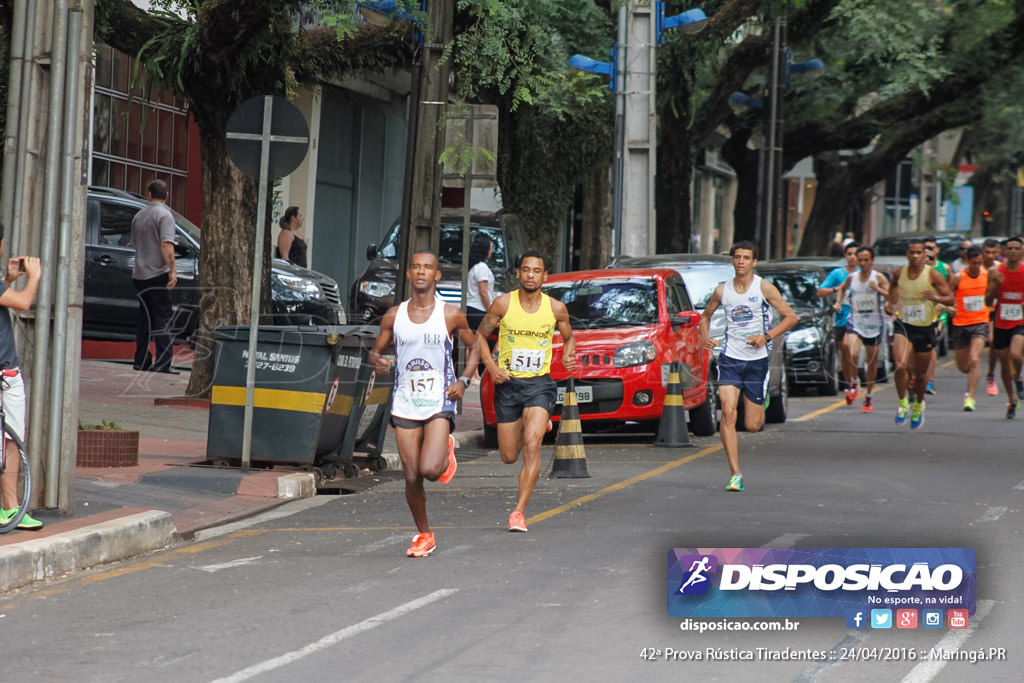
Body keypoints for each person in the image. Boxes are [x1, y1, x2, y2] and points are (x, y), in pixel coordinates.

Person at [369, 250, 480, 557]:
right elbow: (374, 352)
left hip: (439, 400)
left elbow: (476, 346)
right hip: (404, 402)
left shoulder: (450, 314)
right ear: (409, 274)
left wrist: (465, 380)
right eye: (415, 266)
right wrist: (377, 360)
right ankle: (424, 534)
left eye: (427, 267)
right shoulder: (394, 315)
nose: (421, 271)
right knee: (411, 476)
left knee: (431, 470)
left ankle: (445, 447)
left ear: (436, 275)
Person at [476, 250, 576, 531]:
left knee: (532, 445)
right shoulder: (502, 304)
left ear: (545, 276)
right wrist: (490, 367)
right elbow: (480, 337)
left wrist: (568, 355)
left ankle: (518, 512)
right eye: (526, 270)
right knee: (509, 456)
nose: (531, 275)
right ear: (518, 274)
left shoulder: (556, 308)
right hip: (508, 384)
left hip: (539, 384)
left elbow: (570, 338)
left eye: (537, 270)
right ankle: (532, 422)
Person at [700, 241, 797, 492]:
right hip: (730, 358)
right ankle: (735, 474)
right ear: (732, 261)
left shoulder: (763, 288)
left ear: (754, 262)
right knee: (729, 412)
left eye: (746, 258)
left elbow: (791, 317)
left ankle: (761, 397)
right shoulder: (723, 291)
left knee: (752, 425)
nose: (741, 261)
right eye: (737, 257)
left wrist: (766, 337)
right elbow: (705, 316)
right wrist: (704, 337)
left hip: (757, 361)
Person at [885, 239, 954, 430]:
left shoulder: (933, 275)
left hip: (925, 327)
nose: (915, 256)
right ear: (907, 254)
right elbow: (893, 288)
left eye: (918, 253)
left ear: (925, 255)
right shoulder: (899, 273)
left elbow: (950, 298)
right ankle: (902, 403)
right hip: (904, 324)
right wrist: (890, 304)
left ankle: (918, 405)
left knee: (921, 375)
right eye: (911, 253)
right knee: (900, 366)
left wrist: (937, 298)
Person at [0, 222, 43, 529]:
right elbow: (24, 302)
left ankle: (11, 508)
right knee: (10, 442)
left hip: (7, 373)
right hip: (5, 373)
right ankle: (11, 508)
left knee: (10, 442)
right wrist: (35, 276)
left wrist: (8, 280)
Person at [130, 179, 178, 374]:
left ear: (149, 194)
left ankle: (141, 360)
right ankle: (163, 362)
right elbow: (166, 244)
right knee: (162, 318)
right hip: (157, 273)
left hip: (139, 274)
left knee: (145, 320)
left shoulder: (139, 216)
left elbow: (134, 244)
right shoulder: (165, 216)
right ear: (167, 195)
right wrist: (173, 270)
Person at [834, 246, 889, 412]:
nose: (863, 263)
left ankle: (869, 395)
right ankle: (853, 380)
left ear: (872, 261)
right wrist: (838, 302)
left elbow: (891, 295)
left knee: (870, 363)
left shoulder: (878, 277)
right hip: (855, 321)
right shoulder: (852, 277)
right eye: (861, 260)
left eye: (866, 260)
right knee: (852, 353)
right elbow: (842, 288)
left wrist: (877, 289)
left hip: (873, 325)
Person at [984, 235, 1024, 419]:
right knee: (1004, 366)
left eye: (1017, 248)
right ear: (1004, 252)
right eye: (1010, 248)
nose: (1013, 251)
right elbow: (988, 301)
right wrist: (995, 285)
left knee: (1015, 354)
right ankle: (1012, 400)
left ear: (1022, 251)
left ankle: (1019, 378)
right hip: (1001, 321)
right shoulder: (995, 271)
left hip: (1020, 321)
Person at [816, 241, 860, 400]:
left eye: (856, 254)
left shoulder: (865, 273)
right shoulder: (837, 274)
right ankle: (850, 381)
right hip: (842, 319)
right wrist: (837, 291)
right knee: (845, 350)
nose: (853, 257)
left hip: (860, 320)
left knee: (851, 348)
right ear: (845, 255)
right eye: (850, 254)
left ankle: (854, 380)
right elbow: (819, 292)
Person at [949, 246, 989, 411]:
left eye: (979, 263)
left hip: (980, 323)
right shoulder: (958, 278)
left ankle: (970, 396)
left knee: (974, 359)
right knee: (963, 366)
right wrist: (949, 307)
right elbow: (948, 295)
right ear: (967, 262)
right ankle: (970, 378)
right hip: (960, 324)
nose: (976, 266)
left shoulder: (986, 276)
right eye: (974, 263)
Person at [922, 237, 951, 395]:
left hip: (938, 311)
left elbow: (950, 290)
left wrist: (945, 305)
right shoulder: (915, 269)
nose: (928, 251)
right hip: (919, 310)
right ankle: (918, 377)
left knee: (931, 344)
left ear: (937, 250)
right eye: (925, 248)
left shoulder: (944, 268)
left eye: (931, 248)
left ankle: (930, 381)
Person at [465, 235, 495, 381]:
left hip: (470, 308)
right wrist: (491, 309)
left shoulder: (473, 267)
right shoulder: (482, 268)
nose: (492, 250)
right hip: (479, 309)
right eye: (491, 247)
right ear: (485, 250)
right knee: (478, 342)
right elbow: (483, 291)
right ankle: (476, 373)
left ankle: (473, 373)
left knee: (471, 343)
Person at [983, 238, 1005, 396]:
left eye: (994, 252)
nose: (991, 256)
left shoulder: (1001, 269)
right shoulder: (976, 267)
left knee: (994, 343)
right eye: (987, 252)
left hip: (995, 310)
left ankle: (991, 374)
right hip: (978, 311)